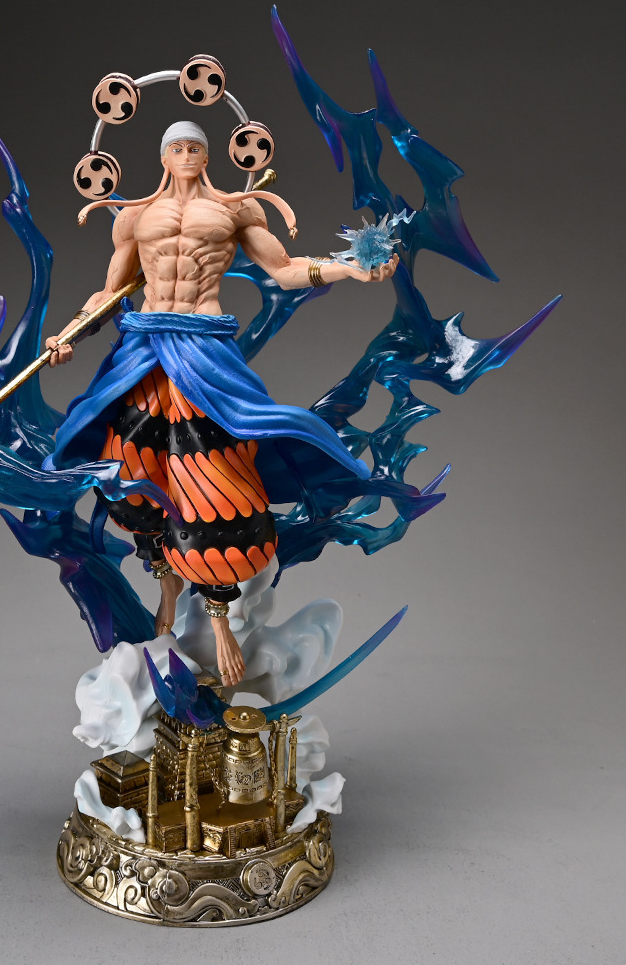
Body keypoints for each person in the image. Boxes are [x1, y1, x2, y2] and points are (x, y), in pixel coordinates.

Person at [45, 121, 397, 688]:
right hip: (145, 347)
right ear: (163, 157)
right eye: (177, 147)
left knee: (210, 474)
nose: (186, 154)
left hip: (203, 350)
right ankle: (165, 578)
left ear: (209, 156)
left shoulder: (235, 210)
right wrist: (68, 334)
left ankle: (220, 617)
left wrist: (350, 269)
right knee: (128, 471)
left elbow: (285, 269)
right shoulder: (135, 216)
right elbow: (110, 292)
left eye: (195, 147)